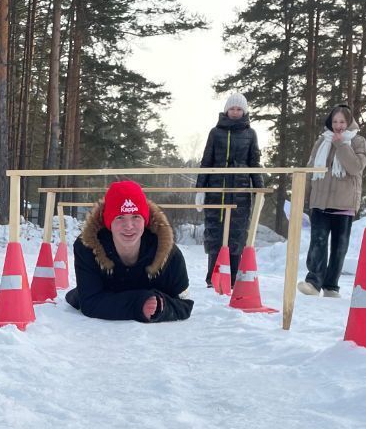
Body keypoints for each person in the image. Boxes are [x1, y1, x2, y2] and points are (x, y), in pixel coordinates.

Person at [65, 179, 194, 322]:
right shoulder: (88, 247)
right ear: (108, 222)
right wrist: (138, 304)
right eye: (120, 217)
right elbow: (90, 303)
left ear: (145, 221)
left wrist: (160, 307)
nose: (129, 226)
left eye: (135, 217)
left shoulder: (168, 253)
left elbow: (185, 304)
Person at [299, 104, 366, 298]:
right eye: (335, 122)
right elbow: (310, 169)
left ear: (349, 123)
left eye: (342, 122)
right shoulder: (321, 141)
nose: (338, 126)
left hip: (344, 204)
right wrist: (303, 198)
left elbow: (355, 167)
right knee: (318, 243)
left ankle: (331, 286)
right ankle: (313, 282)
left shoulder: (357, 141)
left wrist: (341, 145)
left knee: (339, 247)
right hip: (320, 202)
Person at [197, 92, 261, 284]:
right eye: (232, 108)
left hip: (240, 192)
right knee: (215, 233)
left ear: (244, 111)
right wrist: (200, 189)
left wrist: (259, 190)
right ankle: (212, 276)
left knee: (236, 234)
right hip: (216, 191)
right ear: (226, 110)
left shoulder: (250, 134)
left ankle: (232, 277)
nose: (235, 112)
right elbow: (206, 161)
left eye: (238, 109)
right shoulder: (215, 132)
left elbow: (255, 163)